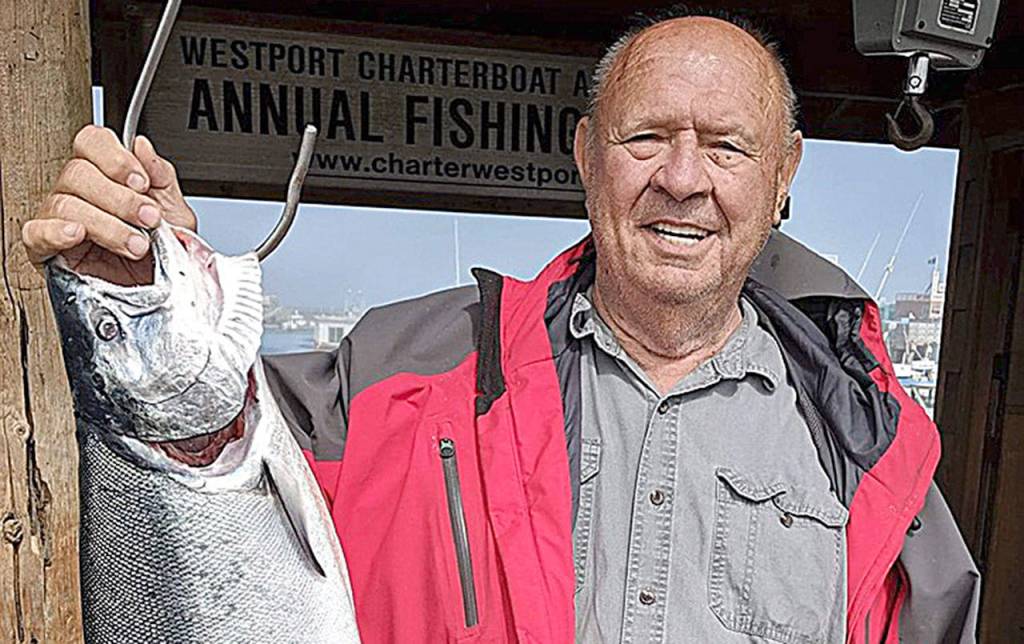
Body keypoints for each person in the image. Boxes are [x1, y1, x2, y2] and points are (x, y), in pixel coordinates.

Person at [23, 7, 980, 643]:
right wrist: (141, 287)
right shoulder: (397, 370)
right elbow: (191, 456)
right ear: (586, 155)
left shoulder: (870, 441)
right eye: (645, 136)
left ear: (784, 174)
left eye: (727, 145)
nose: (683, 178)